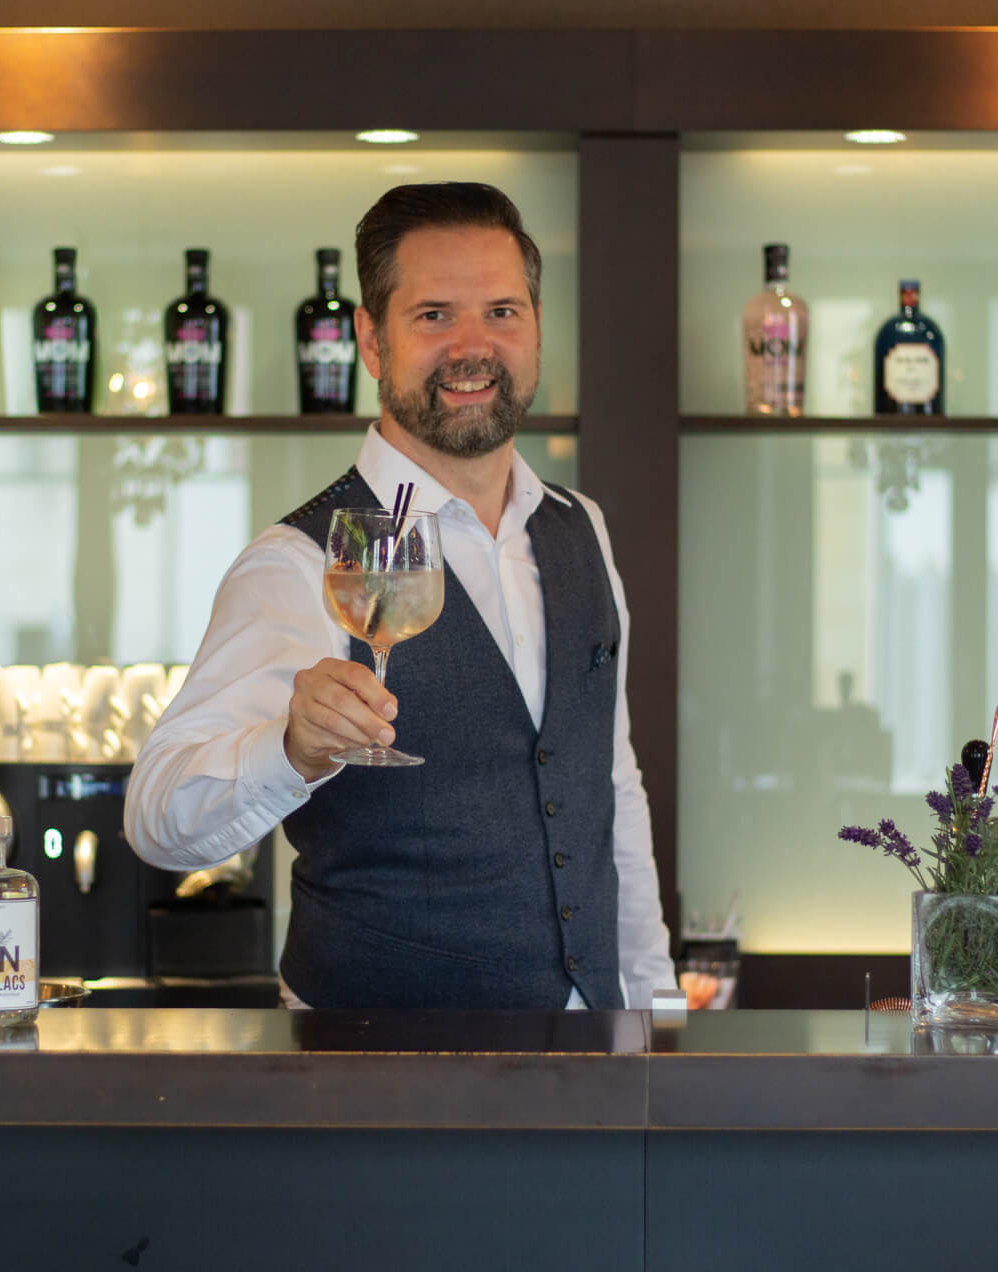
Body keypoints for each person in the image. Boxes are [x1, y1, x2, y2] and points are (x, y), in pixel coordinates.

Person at [126, 181, 673, 1009]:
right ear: (371, 342)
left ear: (535, 329)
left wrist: (654, 1014)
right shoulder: (297, 563)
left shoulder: (579, 529)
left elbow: (612, 791)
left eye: (502, 311)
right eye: (433, 316)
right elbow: (159, 820)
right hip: (372, 1073)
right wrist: (291, 750)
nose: (472, 346)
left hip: (583, 1058)